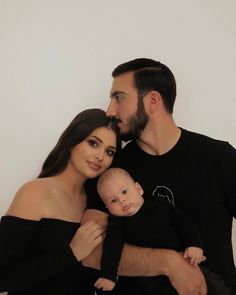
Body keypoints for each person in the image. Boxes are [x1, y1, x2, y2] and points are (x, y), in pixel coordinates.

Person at [82, 58, 236, 295]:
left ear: (152, 100)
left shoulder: (219, 157)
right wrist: (168, 263)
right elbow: (91, 254)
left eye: (119, 97)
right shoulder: (111, 168)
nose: (110, 111)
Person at [0, 108, 121, 294]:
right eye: (93, 143)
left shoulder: (99, 203)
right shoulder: (35, 193)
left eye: (110, 152)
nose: (101, 157)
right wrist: (71, 253)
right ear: (73, 141)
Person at [94, 167, 231, 294]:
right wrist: (109, 275)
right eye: (113, 201)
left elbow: (184, 223)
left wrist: (194, 244)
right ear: (107, 208)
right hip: (151, 277)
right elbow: (112, 249)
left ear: (139, 189)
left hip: (186, 260)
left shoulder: (158, 206)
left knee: (216, 288)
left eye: (124, 191)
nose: (122, 200)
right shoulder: (117, 224)